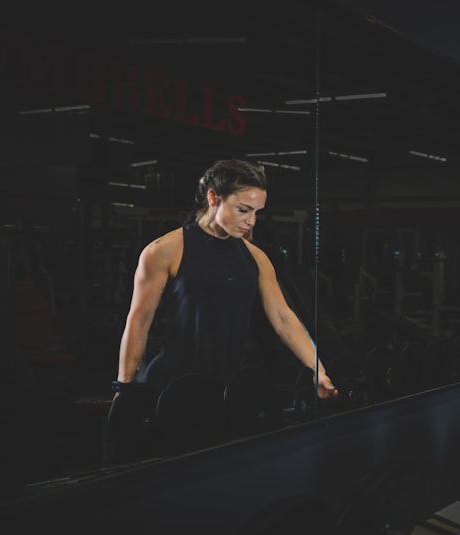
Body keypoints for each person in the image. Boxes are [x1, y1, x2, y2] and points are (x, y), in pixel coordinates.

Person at [115, 159, 338, 401]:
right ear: (213, 198)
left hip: (225, 389)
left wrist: (318, 369)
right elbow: (140, 321)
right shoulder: (165, 251)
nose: (251, 221)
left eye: (256, 212)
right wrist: (123, 389)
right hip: (170, 387)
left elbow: (283, 318)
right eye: (243, 210)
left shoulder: (256, 259)